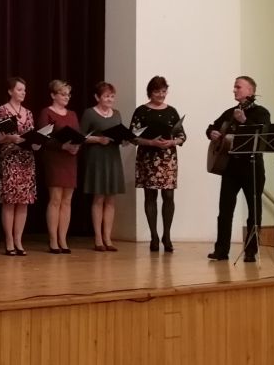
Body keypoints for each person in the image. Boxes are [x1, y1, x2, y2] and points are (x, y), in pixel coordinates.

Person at [206, 75, 272, 263]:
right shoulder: (230, 112)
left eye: (238, 87)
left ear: (250, 91)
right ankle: (221, 250)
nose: (234, 90)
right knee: (225, 210)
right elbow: (212, 126)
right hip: (230, 167)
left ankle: (251, 251)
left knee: (254, 210)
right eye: (234, 87)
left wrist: (244, 121)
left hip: (252, 167)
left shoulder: (261, 112)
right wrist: (211, 133)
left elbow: (264, 135)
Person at [131, 75, 185, 252]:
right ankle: (154, 236)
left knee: (168, 196)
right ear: (150, 92)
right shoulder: (141, 111)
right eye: (157, 92)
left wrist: (172, 142)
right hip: (148, 158)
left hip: (167, 158)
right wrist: (151, 142)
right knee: (150, 195)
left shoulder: (172, 111)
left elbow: (182, 136)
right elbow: (132, 137)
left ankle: (166, 235)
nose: (161, 95)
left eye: (164, 91)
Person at [0, 77, 37, 256]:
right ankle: (9, 240)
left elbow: (32, 134)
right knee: (10, 201)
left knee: (23, 202)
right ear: (10, 91)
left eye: (24, 90)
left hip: (26, 159)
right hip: (10, 159)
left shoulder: (28, 112)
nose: (23, 93)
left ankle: (19, 240)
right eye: (19, 90)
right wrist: (10, 138)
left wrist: (36, 143)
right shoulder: (2, 110)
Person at [81, 81, 125, 252]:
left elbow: (120, 134)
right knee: (98, 198)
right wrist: (98, 139)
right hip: (97, 158)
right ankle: (98, 238)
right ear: (97, 97)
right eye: (106, 96)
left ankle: (108, 237)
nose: (110, 99)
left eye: (112, 96)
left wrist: (124, 139)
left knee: (111, 199)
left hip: (113, 157)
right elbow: (81, 136)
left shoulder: (117, 114)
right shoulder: (90, 113)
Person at [38, 79, 80, 254]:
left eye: (68, 94)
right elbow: (43, 138)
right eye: (63, 94)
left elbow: (78, 135)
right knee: (55, 199)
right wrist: (62, 146)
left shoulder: (72, 114)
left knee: (67, 200)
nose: (66, 97)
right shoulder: (46, 112)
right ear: (53, 95)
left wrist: (76, 146)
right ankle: (53, 239)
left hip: (70, 159)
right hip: (55, 158)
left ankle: (63, 238)